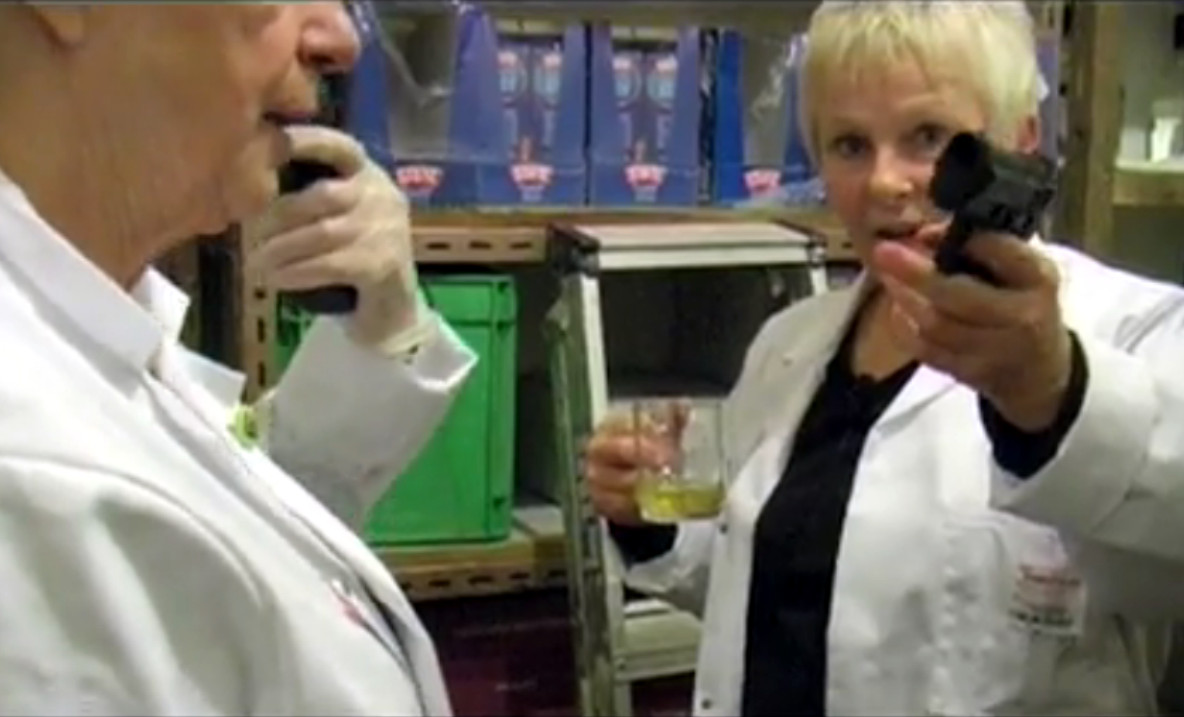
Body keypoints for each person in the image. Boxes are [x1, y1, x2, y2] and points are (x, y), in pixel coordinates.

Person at [585, 2, 1184, 715]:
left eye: (928, 137)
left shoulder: (1132, 327)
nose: (883, 182)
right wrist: (650, 521)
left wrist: (1055, 395)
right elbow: (764, 589)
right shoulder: (788, 346)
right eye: (849, 145)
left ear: (1021, 141)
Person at [0, 3, 475, 715]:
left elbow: (210, 542)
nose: (342, 39)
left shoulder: (94, 326)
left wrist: (381, 335)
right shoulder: (30, 490)